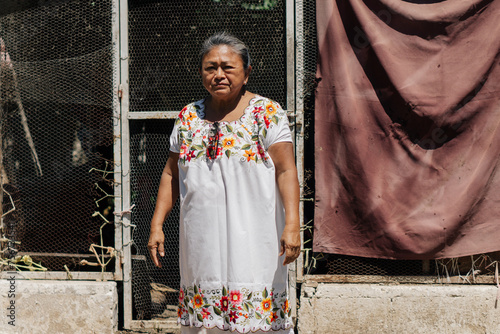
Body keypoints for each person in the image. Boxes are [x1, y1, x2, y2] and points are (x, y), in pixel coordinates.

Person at [148, 32, 300, 334]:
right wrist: (157, 224)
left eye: (228, 67)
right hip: (201, 239)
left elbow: (286, 171)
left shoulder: (267, 114)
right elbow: (171, 174)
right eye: (210, 67)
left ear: (246, 73)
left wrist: (293, 225)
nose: (218, 74)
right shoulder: (188, 117)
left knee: (256, 314)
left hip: (256, 239)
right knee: (205, 314)